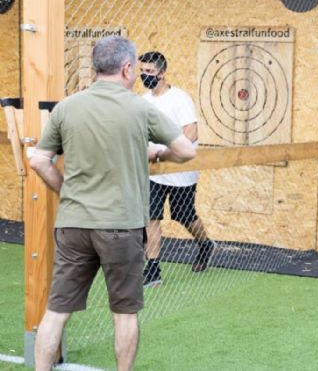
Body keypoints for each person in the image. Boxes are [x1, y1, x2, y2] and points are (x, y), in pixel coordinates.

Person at [29, 37, 196, 371]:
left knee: (56, 310)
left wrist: (67, 193)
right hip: (121, 225)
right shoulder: (141, 108)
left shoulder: (67, 107)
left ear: (95, 68)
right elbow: (186, 150)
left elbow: (38, 161)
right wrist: (156, 151)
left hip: (74, 224)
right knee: (124, 313)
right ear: (127, 68)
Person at [138, 51, 214, 287]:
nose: (144, 75)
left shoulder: (179, 98)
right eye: (142, 71)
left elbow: (192, 131)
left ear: (162, 73)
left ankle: (205, 244)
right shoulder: (143, 101)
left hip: (181, 168)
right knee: (151, 216)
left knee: (184, 215)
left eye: (149, 72)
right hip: (155, 169)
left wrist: (168, 151)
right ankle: (153, 269)